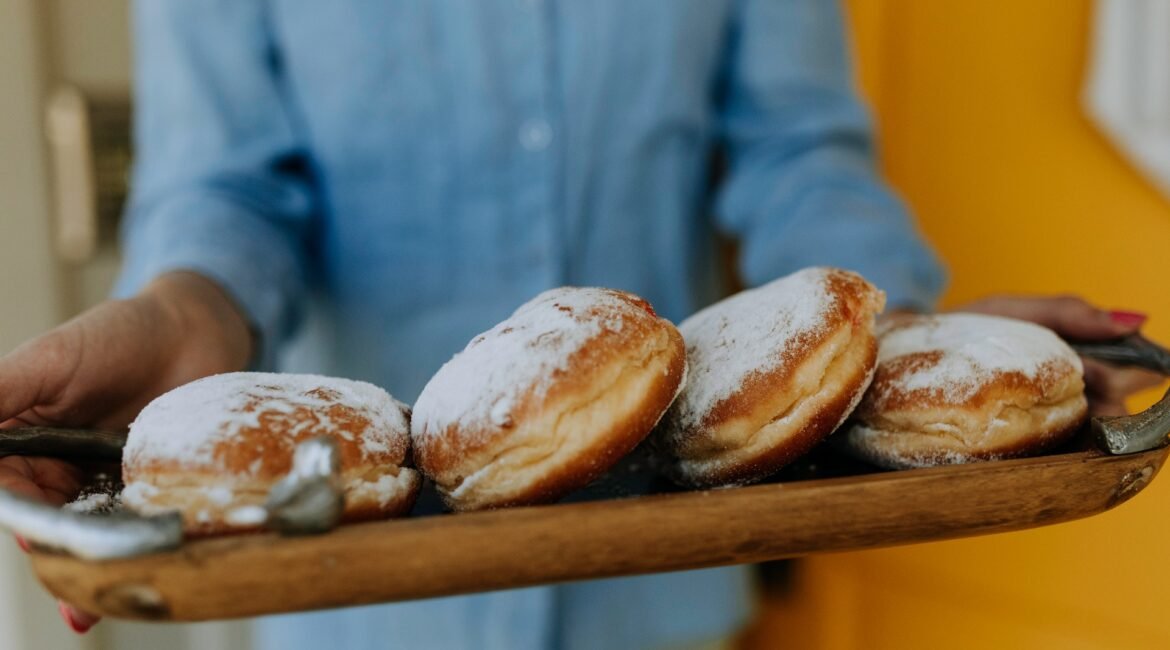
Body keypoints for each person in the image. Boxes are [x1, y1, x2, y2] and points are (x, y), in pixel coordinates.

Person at [0, 1, 1160, 648]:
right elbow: (231, 186)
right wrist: (176, 312)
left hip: (659, 579)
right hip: (357, 594)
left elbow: (794, 149)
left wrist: (900, 337)